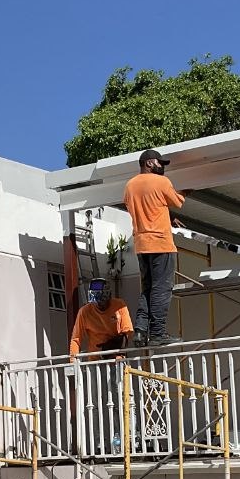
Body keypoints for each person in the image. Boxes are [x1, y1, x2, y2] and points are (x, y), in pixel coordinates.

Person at [123, 149, 185, 346]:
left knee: (148, 288)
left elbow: (147, 209)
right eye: (160, 163)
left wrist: (167, 217)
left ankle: (140, 331)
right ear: (149, 163)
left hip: (142, 244)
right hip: (160, 242)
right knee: (162, 288)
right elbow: (177, 201)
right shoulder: (161, 182)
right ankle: (158, 333)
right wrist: (186, 192)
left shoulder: (130, 186)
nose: (162, 167)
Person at [69, 278, 133, 358]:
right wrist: (72, 364)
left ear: (108, 296)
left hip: (116, 357)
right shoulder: (84, 311)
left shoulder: (119, 305)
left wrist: (119, 354)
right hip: (95, 360)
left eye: (102, 300)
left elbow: (127, 332)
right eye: (96, 300)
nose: (99, 304)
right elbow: (76, 339)